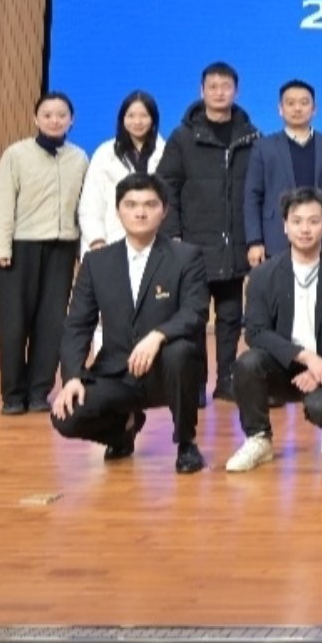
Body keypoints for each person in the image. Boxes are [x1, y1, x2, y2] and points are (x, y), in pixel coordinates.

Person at [50, 172, 210, 474]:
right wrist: (72, 377)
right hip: (117, 373)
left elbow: (195, 311)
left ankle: (186, 443)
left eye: (150, 204)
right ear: (118, 210)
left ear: (164, 210)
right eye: (131, 204)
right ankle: (124, 429)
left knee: (180, 353)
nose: (140, 212)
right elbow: (77, 325)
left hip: (166, 370)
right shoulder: (96, 262)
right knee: (66, 416)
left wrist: (158, 335)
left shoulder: (186, 257)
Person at [225, 187, 322, 472]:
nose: (305, 229)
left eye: (313, 221)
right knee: (247, 364)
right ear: (285, 226)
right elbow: (256, 332)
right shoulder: (263, 274)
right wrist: (305, 357)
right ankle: (258, 438)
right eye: (297, 221)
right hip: (284, 363)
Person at [158, 61, 260, 401]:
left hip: (235, 243)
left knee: (231, 316)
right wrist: (173, 234)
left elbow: (256, 190)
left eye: (225, 86)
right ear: (202, 91)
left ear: (236, 91)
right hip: (194, 244)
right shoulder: (183, 137)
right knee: (195, 318)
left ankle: (227, 380)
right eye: (213, 86)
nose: (219, 92)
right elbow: (167, 186)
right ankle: (197, 383)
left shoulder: (251, 136)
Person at [0, 92, 88, 415]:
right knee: (14, 324)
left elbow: (83, 208)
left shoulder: (79, 158)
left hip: (62, 248)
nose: (54, 120)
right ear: (36, 119)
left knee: (52, 325)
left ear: (71, 120)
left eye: (61, 115)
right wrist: (0, 248)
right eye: (47, 115)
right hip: (20, 249)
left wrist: (83, 250)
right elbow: (1, 203)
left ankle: (38, 392)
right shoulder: (16, 154)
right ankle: (13, 395)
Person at [244, 80, 322, 265]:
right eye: (290, 103)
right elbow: (252, 196)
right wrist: (254, 241)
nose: (297, 108)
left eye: (304, 103)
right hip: (275, 239)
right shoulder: (263, 147)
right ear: (280, 109)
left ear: (314, 109)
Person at [77, 90, 165, 256]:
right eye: (131, 116)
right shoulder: (104, 154)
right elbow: (91, 204)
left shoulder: (166, 153)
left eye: (144, 115)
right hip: (110, 241)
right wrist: (97, 240)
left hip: (156, 244)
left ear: (153, 119)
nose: (137, 121)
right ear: (122, 119)